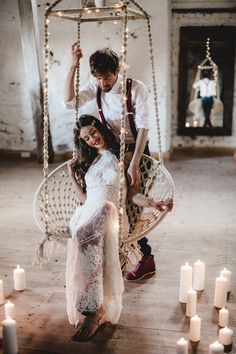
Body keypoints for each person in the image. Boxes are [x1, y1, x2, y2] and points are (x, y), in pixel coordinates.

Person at [66, 114, 173, 341]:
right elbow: (85, 199)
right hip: (88, 215)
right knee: (85, 230)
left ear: (100, 129)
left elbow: (133, 196)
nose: (91, 139)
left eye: (93, 133)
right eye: (86, 138)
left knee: (101, 210)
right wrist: (72, 176)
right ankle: (92, 309)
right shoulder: (91, 162)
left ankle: (93, 311)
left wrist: (153, 203)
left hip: (112, 216)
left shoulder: (122, 156)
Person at [64, 44, 156, 281]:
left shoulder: (135, 88)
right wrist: (73, 65)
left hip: (137, 147)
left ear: (117, 70)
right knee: (104, 194)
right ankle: (110, 250)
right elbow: (69, 102)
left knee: (132, 205)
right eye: (97, 76)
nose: (102, 82)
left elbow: (144, 127)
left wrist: (134, 163)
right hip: (112, 147)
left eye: (106, 76)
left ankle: (146, 257)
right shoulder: (95, 87)